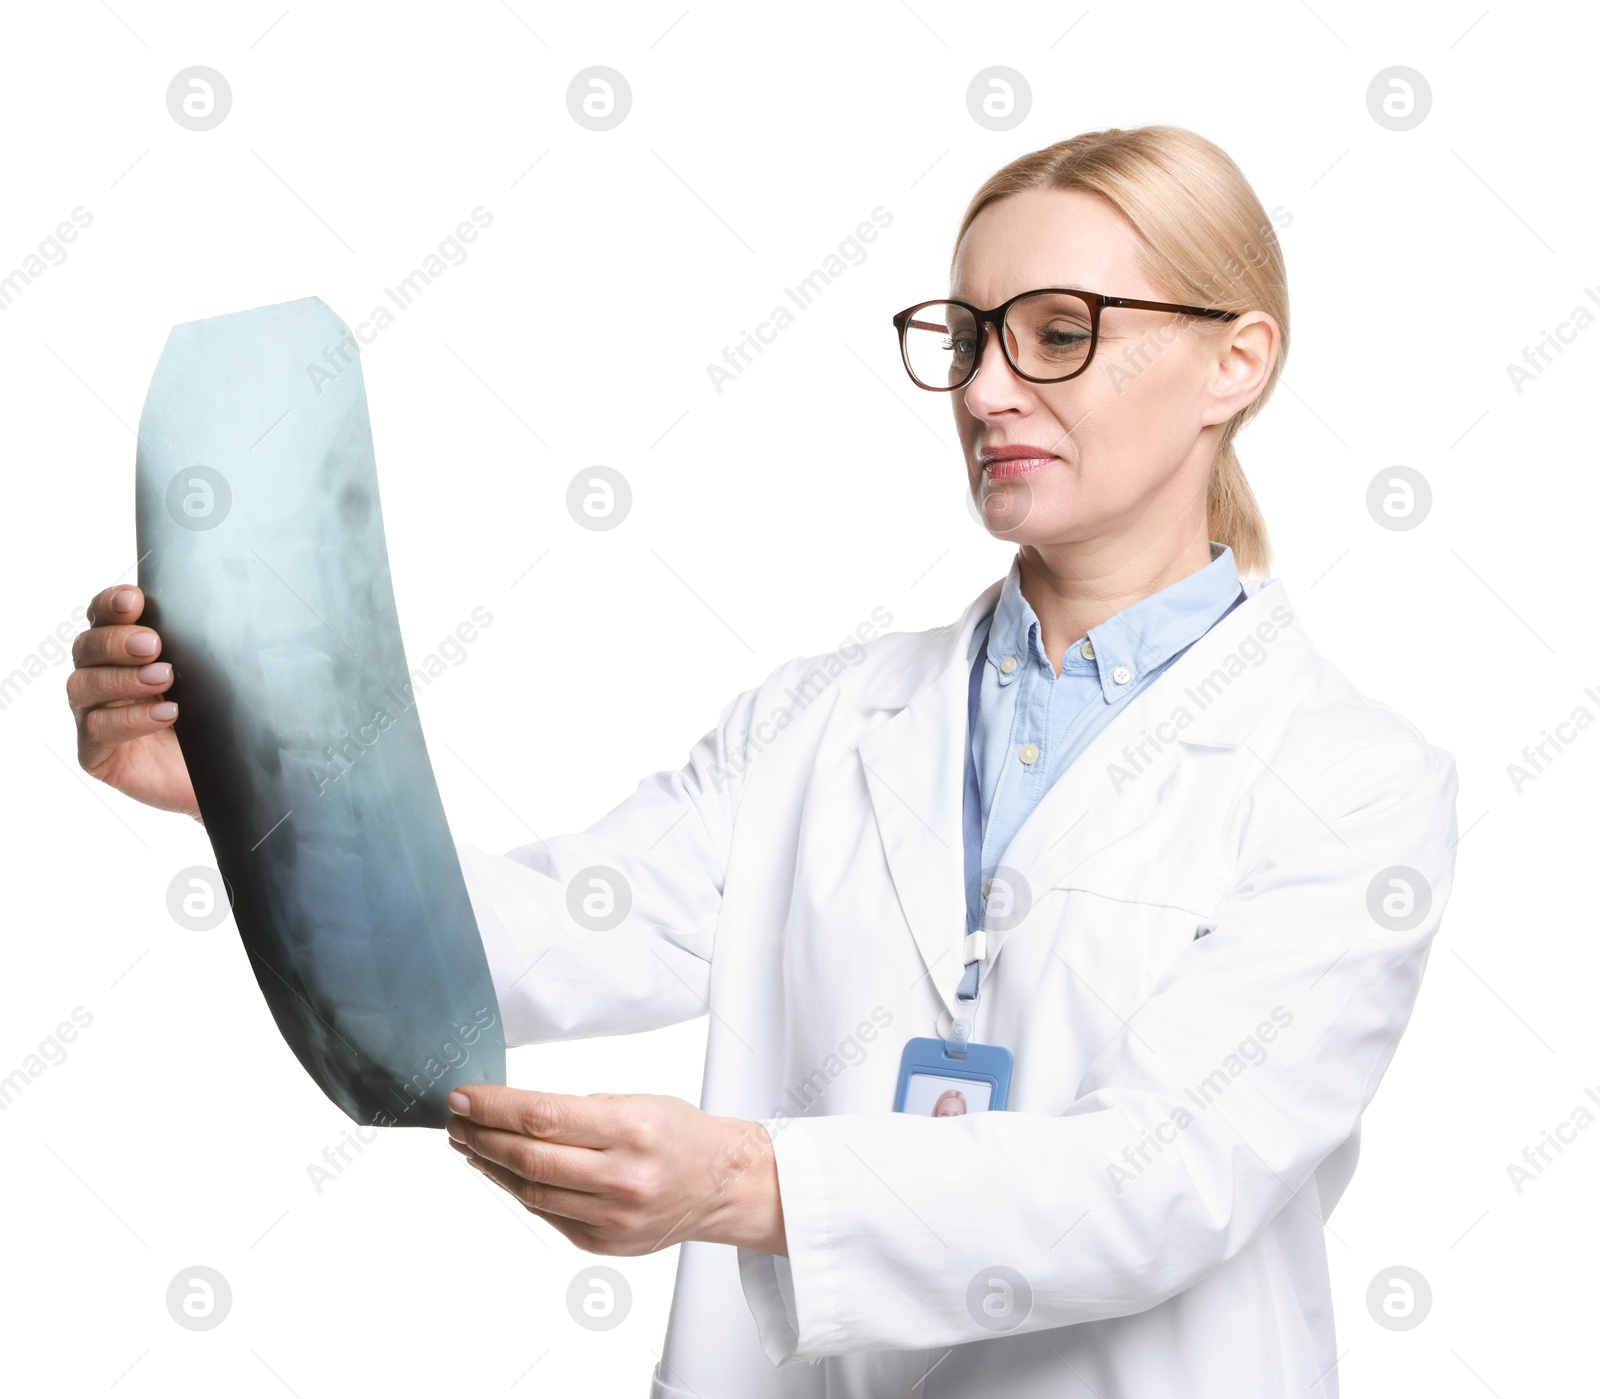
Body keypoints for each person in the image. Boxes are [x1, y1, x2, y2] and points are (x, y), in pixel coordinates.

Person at [67, 125, 1456, 1398]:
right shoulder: (822, 721)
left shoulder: (1351, 782)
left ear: (1238, 361)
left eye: (1057, 334)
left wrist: (750, 1182)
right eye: (965, 334)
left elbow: (1168, 1176)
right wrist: (259, 787)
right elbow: (560, 934)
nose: (983, 389)